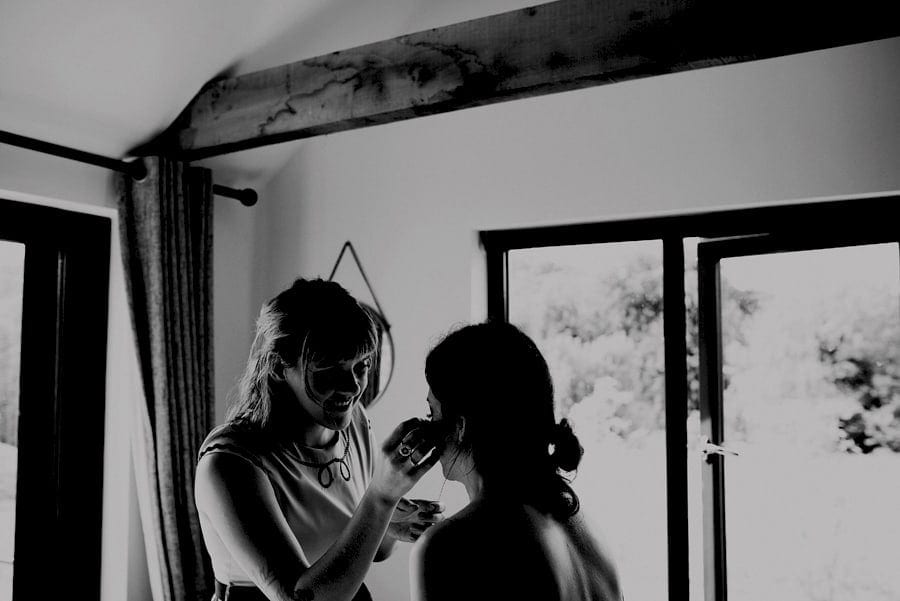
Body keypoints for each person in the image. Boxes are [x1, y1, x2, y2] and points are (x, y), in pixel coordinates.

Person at [195, 278, 444, 601]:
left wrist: (392, 517)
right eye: (328, 372)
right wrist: (380, 498)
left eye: (362, 366)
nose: (353, 387)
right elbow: (297, 597)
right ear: (280, 366)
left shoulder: (354, 423)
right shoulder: (230, 463)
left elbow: (377, 551)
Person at [410, 321, 623, 601]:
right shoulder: (584, 531)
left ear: (461, 427)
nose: (426, 426)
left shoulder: (447, 547)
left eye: (432, 412)